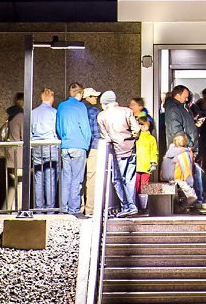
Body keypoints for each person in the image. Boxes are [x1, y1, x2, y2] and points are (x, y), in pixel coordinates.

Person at [95, 90, 139, 218]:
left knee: (118, 180)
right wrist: (132, 139)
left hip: (117, 151)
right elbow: (136, 129)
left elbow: (106, 138)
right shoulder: (127, 111)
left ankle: (127, 206)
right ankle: (132, 205)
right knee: (130, 179)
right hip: (131, 149)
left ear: (104, 103)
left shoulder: (102, 116)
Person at [57, 83, 96, 217]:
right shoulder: (80, 106)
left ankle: (63, 207)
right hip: (79, 145)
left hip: (65, 145)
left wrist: (64, 138)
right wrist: (86, 143)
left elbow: (58, 127)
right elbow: (85, 128)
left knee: (66, 177)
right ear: (79, 94)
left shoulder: (62, 106)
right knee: (77, 179)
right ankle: (74, 209)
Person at [28, 87, 60, 210]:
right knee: (50, 178)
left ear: (41, 97)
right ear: (51, 98)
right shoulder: (54, 112)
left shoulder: (33, 112)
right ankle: (50, 208)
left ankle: (38, 207)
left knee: (38, 178)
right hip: (50, 146)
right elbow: (55, 131)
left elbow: (29, 132)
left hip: (36, 146)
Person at [160, 132, 202, 212]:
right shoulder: (183, 153)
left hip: (166, 178)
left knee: (178, 193)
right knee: (192, 196)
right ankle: (181, 207)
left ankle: (177, 207)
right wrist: (190, 183)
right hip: (178, 178)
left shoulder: (169, 151)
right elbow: (186, 169)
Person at [131, 98, 159, 210]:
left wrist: (153, 163)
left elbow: (154, 151)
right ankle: (136, 204)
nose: (143, 128)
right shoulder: (136, 137)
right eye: (141, 126)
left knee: (144, 185)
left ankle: (143, 206)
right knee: (136, 185)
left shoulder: (151, 138)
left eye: (145, 126)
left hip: (146, 165)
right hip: (137, 164)